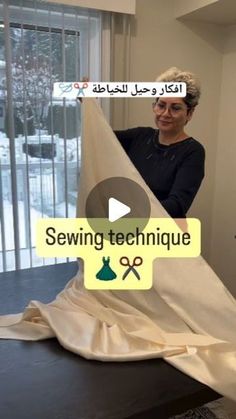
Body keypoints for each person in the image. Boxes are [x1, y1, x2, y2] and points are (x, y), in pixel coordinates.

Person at [115, 67, 205, 218]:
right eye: (161, 105)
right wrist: (90, 106)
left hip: (162, 234)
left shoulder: (193, 152)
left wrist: (132, 211)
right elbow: (101, 137)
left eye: (175, 108)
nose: (165, 114)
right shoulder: (140, 136)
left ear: (189, 113)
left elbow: (177, 205)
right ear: (154, 106)